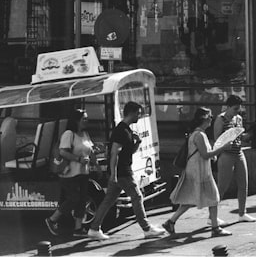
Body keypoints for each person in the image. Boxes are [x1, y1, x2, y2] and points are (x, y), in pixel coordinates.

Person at [87, 102, 166, 240]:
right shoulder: (121, 131)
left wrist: (137, 143)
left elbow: (128, 152)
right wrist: (114, 174)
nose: (139, 116)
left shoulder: (126, 130)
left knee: (109, 200)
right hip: (123, 172)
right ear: (132, 112)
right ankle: (147, 229)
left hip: (120, 171)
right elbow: (114, 153)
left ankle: (94, 228)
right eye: (139, 113)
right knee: (137, 197)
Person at [163, 107, 232, 237]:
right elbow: (205, 154)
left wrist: (214, 153)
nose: (212, 119)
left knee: (191, 198)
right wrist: (223, 147)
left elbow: (205, 154)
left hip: (196, 170)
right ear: (204, 119)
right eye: (210, 117)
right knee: (214, 198)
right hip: (199, 171)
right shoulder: (199, 135)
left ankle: (171, 221)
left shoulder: (197, 134)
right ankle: (215, 228)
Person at [46, 109, 95, 238]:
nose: (87, 121)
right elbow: (63, 152)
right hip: (69, 173)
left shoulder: (85, 133)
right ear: (76, 120)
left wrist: (96, 165)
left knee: (82, 200)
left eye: (87, 118)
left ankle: (78, 229)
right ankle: (52, 220)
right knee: (74, 198)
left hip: (83, 171)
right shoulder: (69, 134)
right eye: (84, 118)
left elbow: (91, 150)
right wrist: (78, 159)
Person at [212, 95, 255, 223]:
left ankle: (242, 213)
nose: (237, 111)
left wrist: (253, 133)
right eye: (235, 108)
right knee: (222, 187)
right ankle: (212, 217)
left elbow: (241, 137)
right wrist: (225, 144)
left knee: (243, 184)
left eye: (239, 109)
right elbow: (217, 139)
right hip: (226, 155)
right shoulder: (220, 119)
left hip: (239, 153)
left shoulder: (238, 119)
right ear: (228, 107)